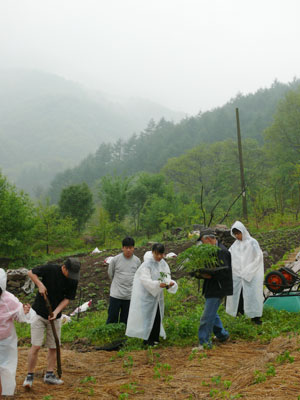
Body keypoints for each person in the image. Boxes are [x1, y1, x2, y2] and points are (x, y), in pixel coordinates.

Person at [23, 257, 81, 388]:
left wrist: (56, 312)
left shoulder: (73, 280)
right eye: (70, 273)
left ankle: (49, 374)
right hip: (38, 313)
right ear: (64, 268)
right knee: (36, 346)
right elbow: (30, 272)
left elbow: (68, 298)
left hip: (55, 316)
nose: (72, 277)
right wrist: (40, 284)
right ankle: (29, 376)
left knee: (53, 346)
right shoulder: (50, 269)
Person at [126, 243, 178, 346]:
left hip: (158, 296)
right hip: (146, 297)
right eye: (157, 254)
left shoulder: (163, 264)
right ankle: (147, 340)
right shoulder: (146, 265)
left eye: (161, 254)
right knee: (148, 318)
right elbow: (145, 280)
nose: (159, 256)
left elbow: (166, 276)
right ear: (153, 252)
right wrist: (158, 284)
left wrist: (169, 283)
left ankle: (155, 339)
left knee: (157, 317)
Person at [193, 228, 233, 350]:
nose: (202, 244)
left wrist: (209, 275)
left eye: (203, 241)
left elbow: (225, 273)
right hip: (211, 287)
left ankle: (204, 343)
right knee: (213, 314)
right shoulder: (210, 251)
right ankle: (222, 335)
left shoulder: (222, 251)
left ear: (209, 239)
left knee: (207, 317)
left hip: (218, 288)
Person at [0, 268, 36, 397]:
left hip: (5, 341)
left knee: (5, 369)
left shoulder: (9, 300)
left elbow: (18, 315)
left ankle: (4, 393)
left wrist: (24, 312)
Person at [226, 221, 264, 325]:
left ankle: (255, 317)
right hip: (238, 275)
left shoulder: (252, 242)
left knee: (253, 295)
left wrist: (248, 270)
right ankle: (240, 313)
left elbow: (258, 257)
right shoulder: (235, 245)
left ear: (243, 231)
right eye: (235, 234)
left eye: (238, 233)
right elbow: (230, 257)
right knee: (239, 294)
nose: (237, 236)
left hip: (252, 275)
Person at [106, 237, 141, 325]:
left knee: (125, 320)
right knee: (112, 317)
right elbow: (111, 274)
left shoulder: (137, 261)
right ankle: (110, 335)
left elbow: (138, 276)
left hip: (129, 295)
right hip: (116, 294)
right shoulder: (115, 260)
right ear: (122, 248)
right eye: (126, 248)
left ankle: (122, 336)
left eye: (130, 248)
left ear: (133, 248)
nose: (128, 250)